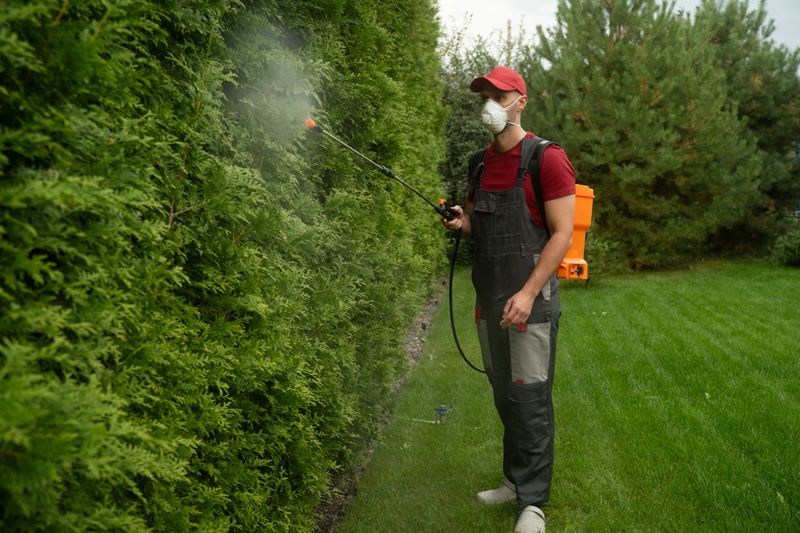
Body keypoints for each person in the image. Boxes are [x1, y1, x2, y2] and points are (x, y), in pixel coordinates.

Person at [443, 66, 576, 533]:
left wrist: (527, 292)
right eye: (484, 94)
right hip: (490, 299)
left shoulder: (546, 158)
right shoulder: (478, 163)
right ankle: (513, 481)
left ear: (521, 100)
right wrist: (463, 222)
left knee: (531, 400)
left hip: (530, 303)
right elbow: (483, 223)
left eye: (499, 95)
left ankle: (533, 506)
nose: (489, 103)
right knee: (504, 395)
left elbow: (560, 236)